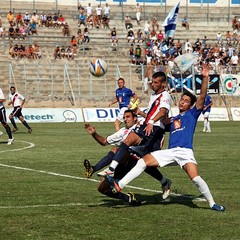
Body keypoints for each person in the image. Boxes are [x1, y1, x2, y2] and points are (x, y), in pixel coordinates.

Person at [106, 64, 225, 212]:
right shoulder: (173, 119)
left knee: (195, 178)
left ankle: (212, 203)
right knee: (143, 161)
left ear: (191, 105)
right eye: (182, 100)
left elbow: (201, 96)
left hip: (185, 152)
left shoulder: (192, 114)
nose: (183, 102)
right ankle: (120, 185)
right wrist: (143, 115)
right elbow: (159, 123)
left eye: (186, 101)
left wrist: (205, 77)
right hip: (170, 152)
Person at [84, 110, 171, 203]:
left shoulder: (142, 123)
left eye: (128, 117)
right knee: (102, 189)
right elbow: (104, 141)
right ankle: (129, 198)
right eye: (124, 118)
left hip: (136, 156)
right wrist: (94, 134)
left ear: (135, 118)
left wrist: (141, 113)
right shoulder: (123, 131)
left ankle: (100, 169)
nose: (125, 120)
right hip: (124, 160)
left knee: (117, 150)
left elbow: (155, 120)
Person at [106, 71, 172, 175]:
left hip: (155, 130)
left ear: (163, 84)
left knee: (142, 160)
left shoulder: (165, 96)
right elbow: (151, 115)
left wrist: (150, 122)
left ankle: (116, 175)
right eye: (152, 82)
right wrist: (140, 112)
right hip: (147, 126)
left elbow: (162, 112)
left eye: (156, 83)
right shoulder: (153, 96)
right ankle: (112, 169)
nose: (153, 84)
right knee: (128, 144)